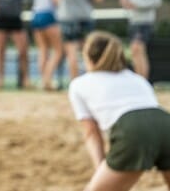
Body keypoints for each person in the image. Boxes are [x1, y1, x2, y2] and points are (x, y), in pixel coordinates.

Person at [67, 31, 170, 190]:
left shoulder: (79, 85)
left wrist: (101, 169)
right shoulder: (136, 78)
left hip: (132, 129)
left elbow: (91, 133)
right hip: (165, 123)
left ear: (87, 57)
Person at [120, 0, 162, 81]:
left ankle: (143, 82)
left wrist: (136, 4)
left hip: (144, 21)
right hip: (134, 20)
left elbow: (156, 0)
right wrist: (124, 0)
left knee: (138, 49)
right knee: (135, 51)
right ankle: (140, 81)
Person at [29, 0, 63, 90]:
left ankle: (43, 80)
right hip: (48, 15)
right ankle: (46, 80)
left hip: (36, 15)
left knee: (43, 50)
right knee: (59, 50)